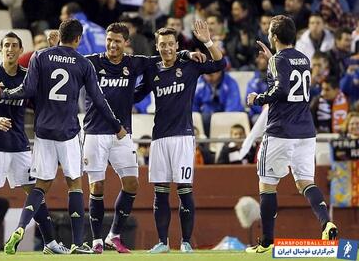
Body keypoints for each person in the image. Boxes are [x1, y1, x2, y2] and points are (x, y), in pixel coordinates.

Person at [0, 20, 127, 254]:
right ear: (78, 39)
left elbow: (27, 91)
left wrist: (3, 93)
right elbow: (98, 100)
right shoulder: (83, 63)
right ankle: (77, 244)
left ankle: (20, 227)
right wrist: (117, 125)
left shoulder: (40, 56)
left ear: (58, 35)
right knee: (75, 184)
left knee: (40, 186)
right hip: (68, 131)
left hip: (44, 132)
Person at [83, 22, 204, 254]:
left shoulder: (135, 62)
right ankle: (96, 240)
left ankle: (114, 235)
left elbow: (165, 53)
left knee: (132, 183)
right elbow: (73, 63)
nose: (112, 44)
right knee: (96, 186)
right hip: (95, 131)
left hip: (122, 134)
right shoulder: (93, 61)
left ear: (125, 43)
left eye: (117, 40)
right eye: (109, 40)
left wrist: (187, 53)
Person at [246, 15, 338, 253]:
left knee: (267, 184)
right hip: (306, 131)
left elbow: (282, 88)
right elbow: (288, 75)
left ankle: (266, 242)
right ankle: (326, 222)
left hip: (281, 130)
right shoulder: (304, 58)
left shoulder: (278, 60)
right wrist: (272, 60)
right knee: (306, 182)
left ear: (274, 37)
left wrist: (259, 98)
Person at [134, 21, 225, 253]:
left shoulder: (190, 66)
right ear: (157, 47)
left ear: (176, 46)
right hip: (159, 139)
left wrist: (206, 41)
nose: (167, 49)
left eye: (171, 44)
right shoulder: (153, 69)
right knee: (160, 192)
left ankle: (185, 242)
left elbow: (220, 62)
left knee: (184, 190)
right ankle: (162, 242)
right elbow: (136, 95)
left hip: (183, 138)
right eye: (162, 45)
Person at [0, 32, 67, 255]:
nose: (10, 49)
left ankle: (50, 243)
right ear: (1, 49)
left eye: (14, 45)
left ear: (20, 49)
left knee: (35, 192)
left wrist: (54, 48)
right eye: (6, 45)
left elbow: (44, 97)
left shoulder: (28, 75)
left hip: (19, 144)